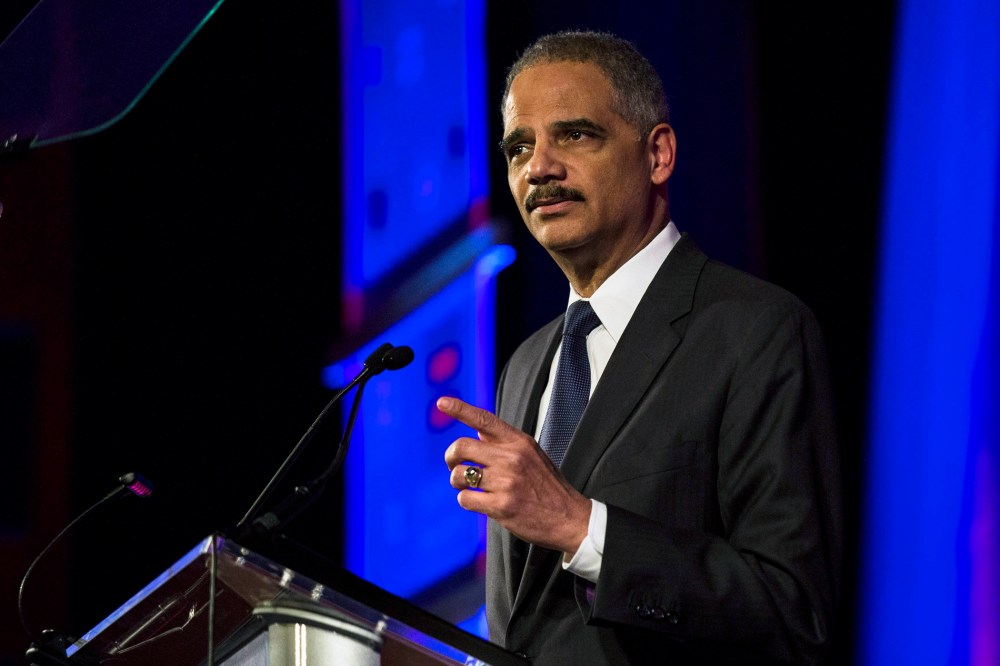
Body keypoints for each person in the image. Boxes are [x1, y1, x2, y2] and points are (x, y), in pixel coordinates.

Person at [439, 31, 841, 664]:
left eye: (574, 135)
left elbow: (793, 610)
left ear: (657, 154)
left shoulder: (753, 329)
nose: (539, 167)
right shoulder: (524, 367)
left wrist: (583, 527)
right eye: (520, 147)